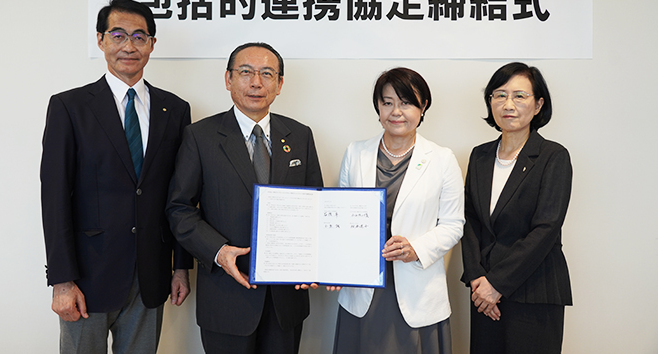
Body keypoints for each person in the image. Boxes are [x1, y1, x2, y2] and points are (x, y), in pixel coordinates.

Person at [40, 0, 193, 354]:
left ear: (152, 44)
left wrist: (180, 268)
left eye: (139, 37)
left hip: (150, 275)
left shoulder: (175, 109)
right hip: (86, 277)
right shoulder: (70, 107)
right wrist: (62, 281)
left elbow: (181, 195)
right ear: (101, 40)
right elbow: (55, 196)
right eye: (118, 35)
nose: (129, 46)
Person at [166, 42, 323, 354]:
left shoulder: (300, 135)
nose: (256, 83)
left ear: (279, 84)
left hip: (286, 298)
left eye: (267, 74)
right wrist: (218, 251)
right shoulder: (200, 136)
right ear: (228, 79)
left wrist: (314, 262)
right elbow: (180, 208)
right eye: (246, 72)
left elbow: (316, 206)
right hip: (226, 296)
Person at [331, 67, 465, 354]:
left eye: (406, 103)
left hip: (417, 285)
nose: (396, 112)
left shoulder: (442, 159)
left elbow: (454, 224)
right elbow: (339, 215)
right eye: (387, 102)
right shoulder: (356, 152)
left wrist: (416, 248)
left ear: (423, 106)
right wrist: (333, 267)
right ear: (378, 107)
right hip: (363, 285)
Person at [461, 62, 573, 354]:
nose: (508, 104)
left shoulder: (553, 156)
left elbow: (546, 228)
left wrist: (497, 284)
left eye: (519, 96)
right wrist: (477, 279)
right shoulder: (480, 156)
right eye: (499, 95)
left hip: (534, 291)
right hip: (483, 293)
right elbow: (470, 220)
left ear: (538, 105)